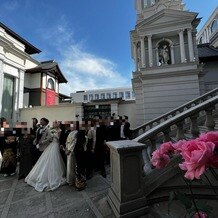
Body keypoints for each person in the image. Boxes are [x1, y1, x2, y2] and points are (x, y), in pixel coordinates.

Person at [25, 121, 66, 192]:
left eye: (56, 123)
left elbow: (60, 139)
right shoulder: (52, 130)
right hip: (51, 145)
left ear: (59, 124)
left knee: (55, 160)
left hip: (56, 145)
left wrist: (55, 136)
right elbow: (49, 138)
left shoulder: (60, 131)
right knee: (46, 159)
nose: (54, 124)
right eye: (54, 123)